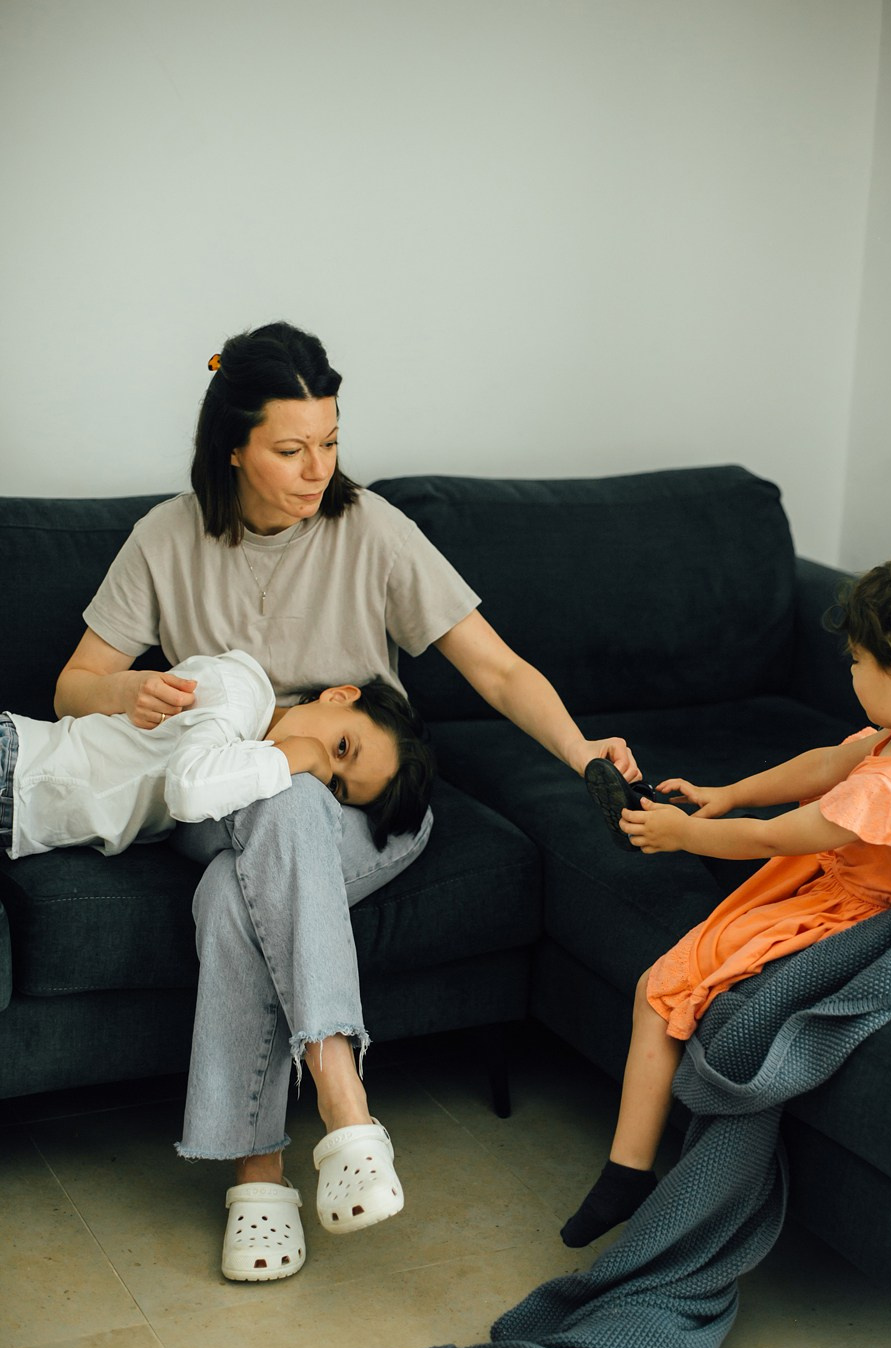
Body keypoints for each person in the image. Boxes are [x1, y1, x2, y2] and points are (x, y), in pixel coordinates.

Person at [53, 321, 638, 1282]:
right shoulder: (165, 538)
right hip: (221, 798)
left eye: (330, 441)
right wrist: (129, 691)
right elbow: (77, 683)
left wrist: (581, 753)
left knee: (233, 893)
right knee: (269, 810)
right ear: (232, 445)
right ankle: (344, 1100)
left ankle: (260, 1185)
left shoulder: (371, 531)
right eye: (291, 449)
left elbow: (492, 666)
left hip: (366, 800)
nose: (317, 466)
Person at [564, 547, 891, 1248]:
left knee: (659, 988)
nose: (849, 671)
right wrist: (725, 793)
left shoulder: (890, 788)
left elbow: (776, 839)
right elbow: (825, 764)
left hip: (842, 905)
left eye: (856, 661)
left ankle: (628, 1172)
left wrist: (679, 833)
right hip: (840, 867)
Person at [2, 650, 430, 861]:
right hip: (16, 766)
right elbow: (187, 790)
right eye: (341, 748)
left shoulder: (250, 761)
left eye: (336, 786)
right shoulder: (239, 691)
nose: (322, 768)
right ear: (339, 696)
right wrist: (299, 754)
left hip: (20, 818)